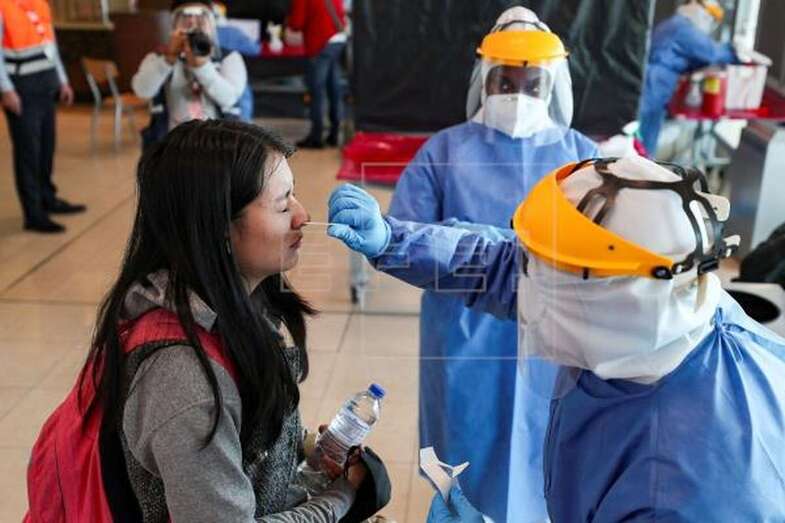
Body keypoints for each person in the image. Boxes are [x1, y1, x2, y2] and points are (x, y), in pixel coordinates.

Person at [326, 155, 785, 520]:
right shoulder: (661, 311)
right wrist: (392, 239)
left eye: (553, 274)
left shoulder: (688, 486)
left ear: (619, 297)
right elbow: (504, 266)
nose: (526, 281)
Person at [25, 120, 371, 521]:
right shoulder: (184, 379)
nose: (302, 216)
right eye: (282, 205)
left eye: (294, 195)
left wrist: (307, 446)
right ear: (220, 229)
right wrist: (344, 495)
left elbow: (234, 441)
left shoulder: (233, 304)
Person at [385, 7, 597, 521]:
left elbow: (607, 255)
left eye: (529, 82)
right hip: (463, 339)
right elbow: (401, 241)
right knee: (465, 456)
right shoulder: (444, 152)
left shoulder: (583, 159)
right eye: (505, 80)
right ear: (485, 79)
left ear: (551, 85)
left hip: (556, 341)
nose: (516, 93)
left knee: (547, 455)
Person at [0, 0, 86, 233]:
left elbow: (50, 45)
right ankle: (33, 213)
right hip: (21, 89)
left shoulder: (40, 4)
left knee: (46, 148)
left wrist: (63, 81)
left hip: (46, 84)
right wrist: (5, 89)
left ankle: (48, 198)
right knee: (28, 152)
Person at [132, 0, 247, 147]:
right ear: (173, 25)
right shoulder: (158, 58)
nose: (193, 23)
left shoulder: (228, 58)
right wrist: (168, 60)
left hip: (220, 145)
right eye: (185, 18)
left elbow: (230, 98)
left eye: (201, 17)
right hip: (171, 145)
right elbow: (142, 91)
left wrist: (202, 67)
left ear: (212, 24)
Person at [638, 0, 737, 157]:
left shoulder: (672, 23)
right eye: (710, 18)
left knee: (642, 133)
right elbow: (711, 52)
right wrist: (735, 51)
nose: (709, 23)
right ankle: (641, 175)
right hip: (655, 84)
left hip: (651, 81)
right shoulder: (683, 29)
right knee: (645, 136)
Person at [287, 0, 347, 149]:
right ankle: (334, 134)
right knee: (334, 89)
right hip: (337, 40)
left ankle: (316, 137)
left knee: (317, 91)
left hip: (319, 43)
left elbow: (296, 24)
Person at [213, 1, 260, 121]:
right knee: (242, 100)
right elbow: (254, 50)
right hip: (231, 77)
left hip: (207, 78)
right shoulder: (232, 32)